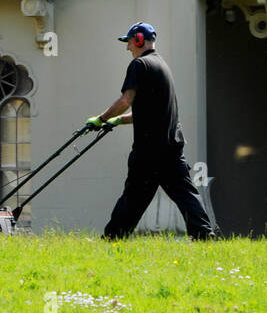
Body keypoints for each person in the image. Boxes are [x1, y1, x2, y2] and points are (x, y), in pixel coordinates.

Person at [87, 21, 213, 240]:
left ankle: (113, 238)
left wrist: (101, 119)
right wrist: (117, 121)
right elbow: (148, 113)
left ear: (138, 40)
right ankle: (204, 234)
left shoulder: (139, 65)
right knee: (186, 194)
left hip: (148, 150)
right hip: (171, 146)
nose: (127, 48)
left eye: (129, 43)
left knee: (133, 197)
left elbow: (126, 100)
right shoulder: (162, 66)